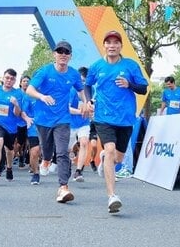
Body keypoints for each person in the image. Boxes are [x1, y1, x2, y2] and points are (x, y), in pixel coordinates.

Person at [85, 30, 148, 214]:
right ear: (104, 45)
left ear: (121, 46)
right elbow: (87, 84)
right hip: (103, 117)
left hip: (125, 118)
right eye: (108, 42)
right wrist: (88, 100)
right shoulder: (97, 66)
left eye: (116, 43)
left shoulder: (130, 66)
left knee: (117, 159)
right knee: (111, 149)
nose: (112, 46)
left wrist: (130, 85)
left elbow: (143, 89)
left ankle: (105, 157)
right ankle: (112, 196)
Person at [25, 40, 89, 203]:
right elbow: (29, 89)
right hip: (43, 120)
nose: (63, 55)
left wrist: (85, 102)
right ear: (54, 54)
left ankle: (63, 187)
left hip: (62, 119)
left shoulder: (73, 74)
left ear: (70, 56)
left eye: (66, 52)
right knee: (47, 151)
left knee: (62, 152)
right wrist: (42, 96)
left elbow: (81, 91)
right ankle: (46, 160)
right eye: (60, 51)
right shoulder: (45, 72)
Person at [0, 68, 23, 182]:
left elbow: (17, 114)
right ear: (3, 78)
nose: (9, 80)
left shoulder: (17, 93)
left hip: (11, 127)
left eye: (12, 79)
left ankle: (9, 167)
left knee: (9, 150)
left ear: (15, 81)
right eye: (7, 78)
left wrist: (16, 104)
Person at [69, 67, 91, 182]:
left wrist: (91, 110)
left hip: (84, 123)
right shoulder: (71, 90)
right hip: (70, 123)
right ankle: (67, 162)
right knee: (68, 149)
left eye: (84, 81)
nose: (82, 84)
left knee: (84, 143)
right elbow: (67, 108)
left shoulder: (89, 91)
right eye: (80, 81)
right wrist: (80, 111)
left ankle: (78, 171)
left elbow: (92, 105)